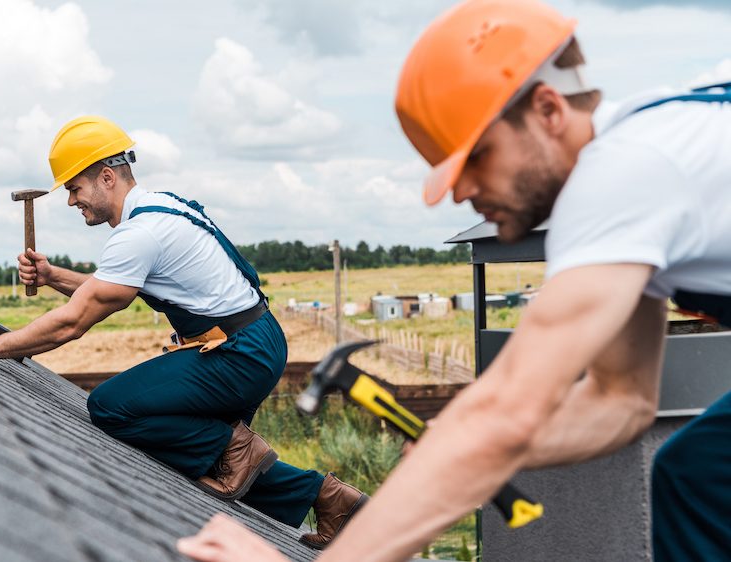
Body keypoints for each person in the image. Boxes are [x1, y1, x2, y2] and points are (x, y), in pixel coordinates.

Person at [177, 1, 731, 560]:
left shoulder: (623, 177)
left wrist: (483, 435)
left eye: (479, 157)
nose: (462, 191)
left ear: (547, 109)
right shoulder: (652, 163)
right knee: (697, 475)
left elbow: (504, 411)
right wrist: (463, 451)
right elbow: (619, 403)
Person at [0, 115, 367, 548]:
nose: (72, 201)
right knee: (218, 463)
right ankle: (334, 501)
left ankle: (237, 448)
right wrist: (51, 274)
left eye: (74, 188)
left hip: (238, 355)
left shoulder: (140, 233)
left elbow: (75, 320)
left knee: (113, 407)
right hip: (255, 341)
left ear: (106, 177)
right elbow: (105, 288)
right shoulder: (163, 207)